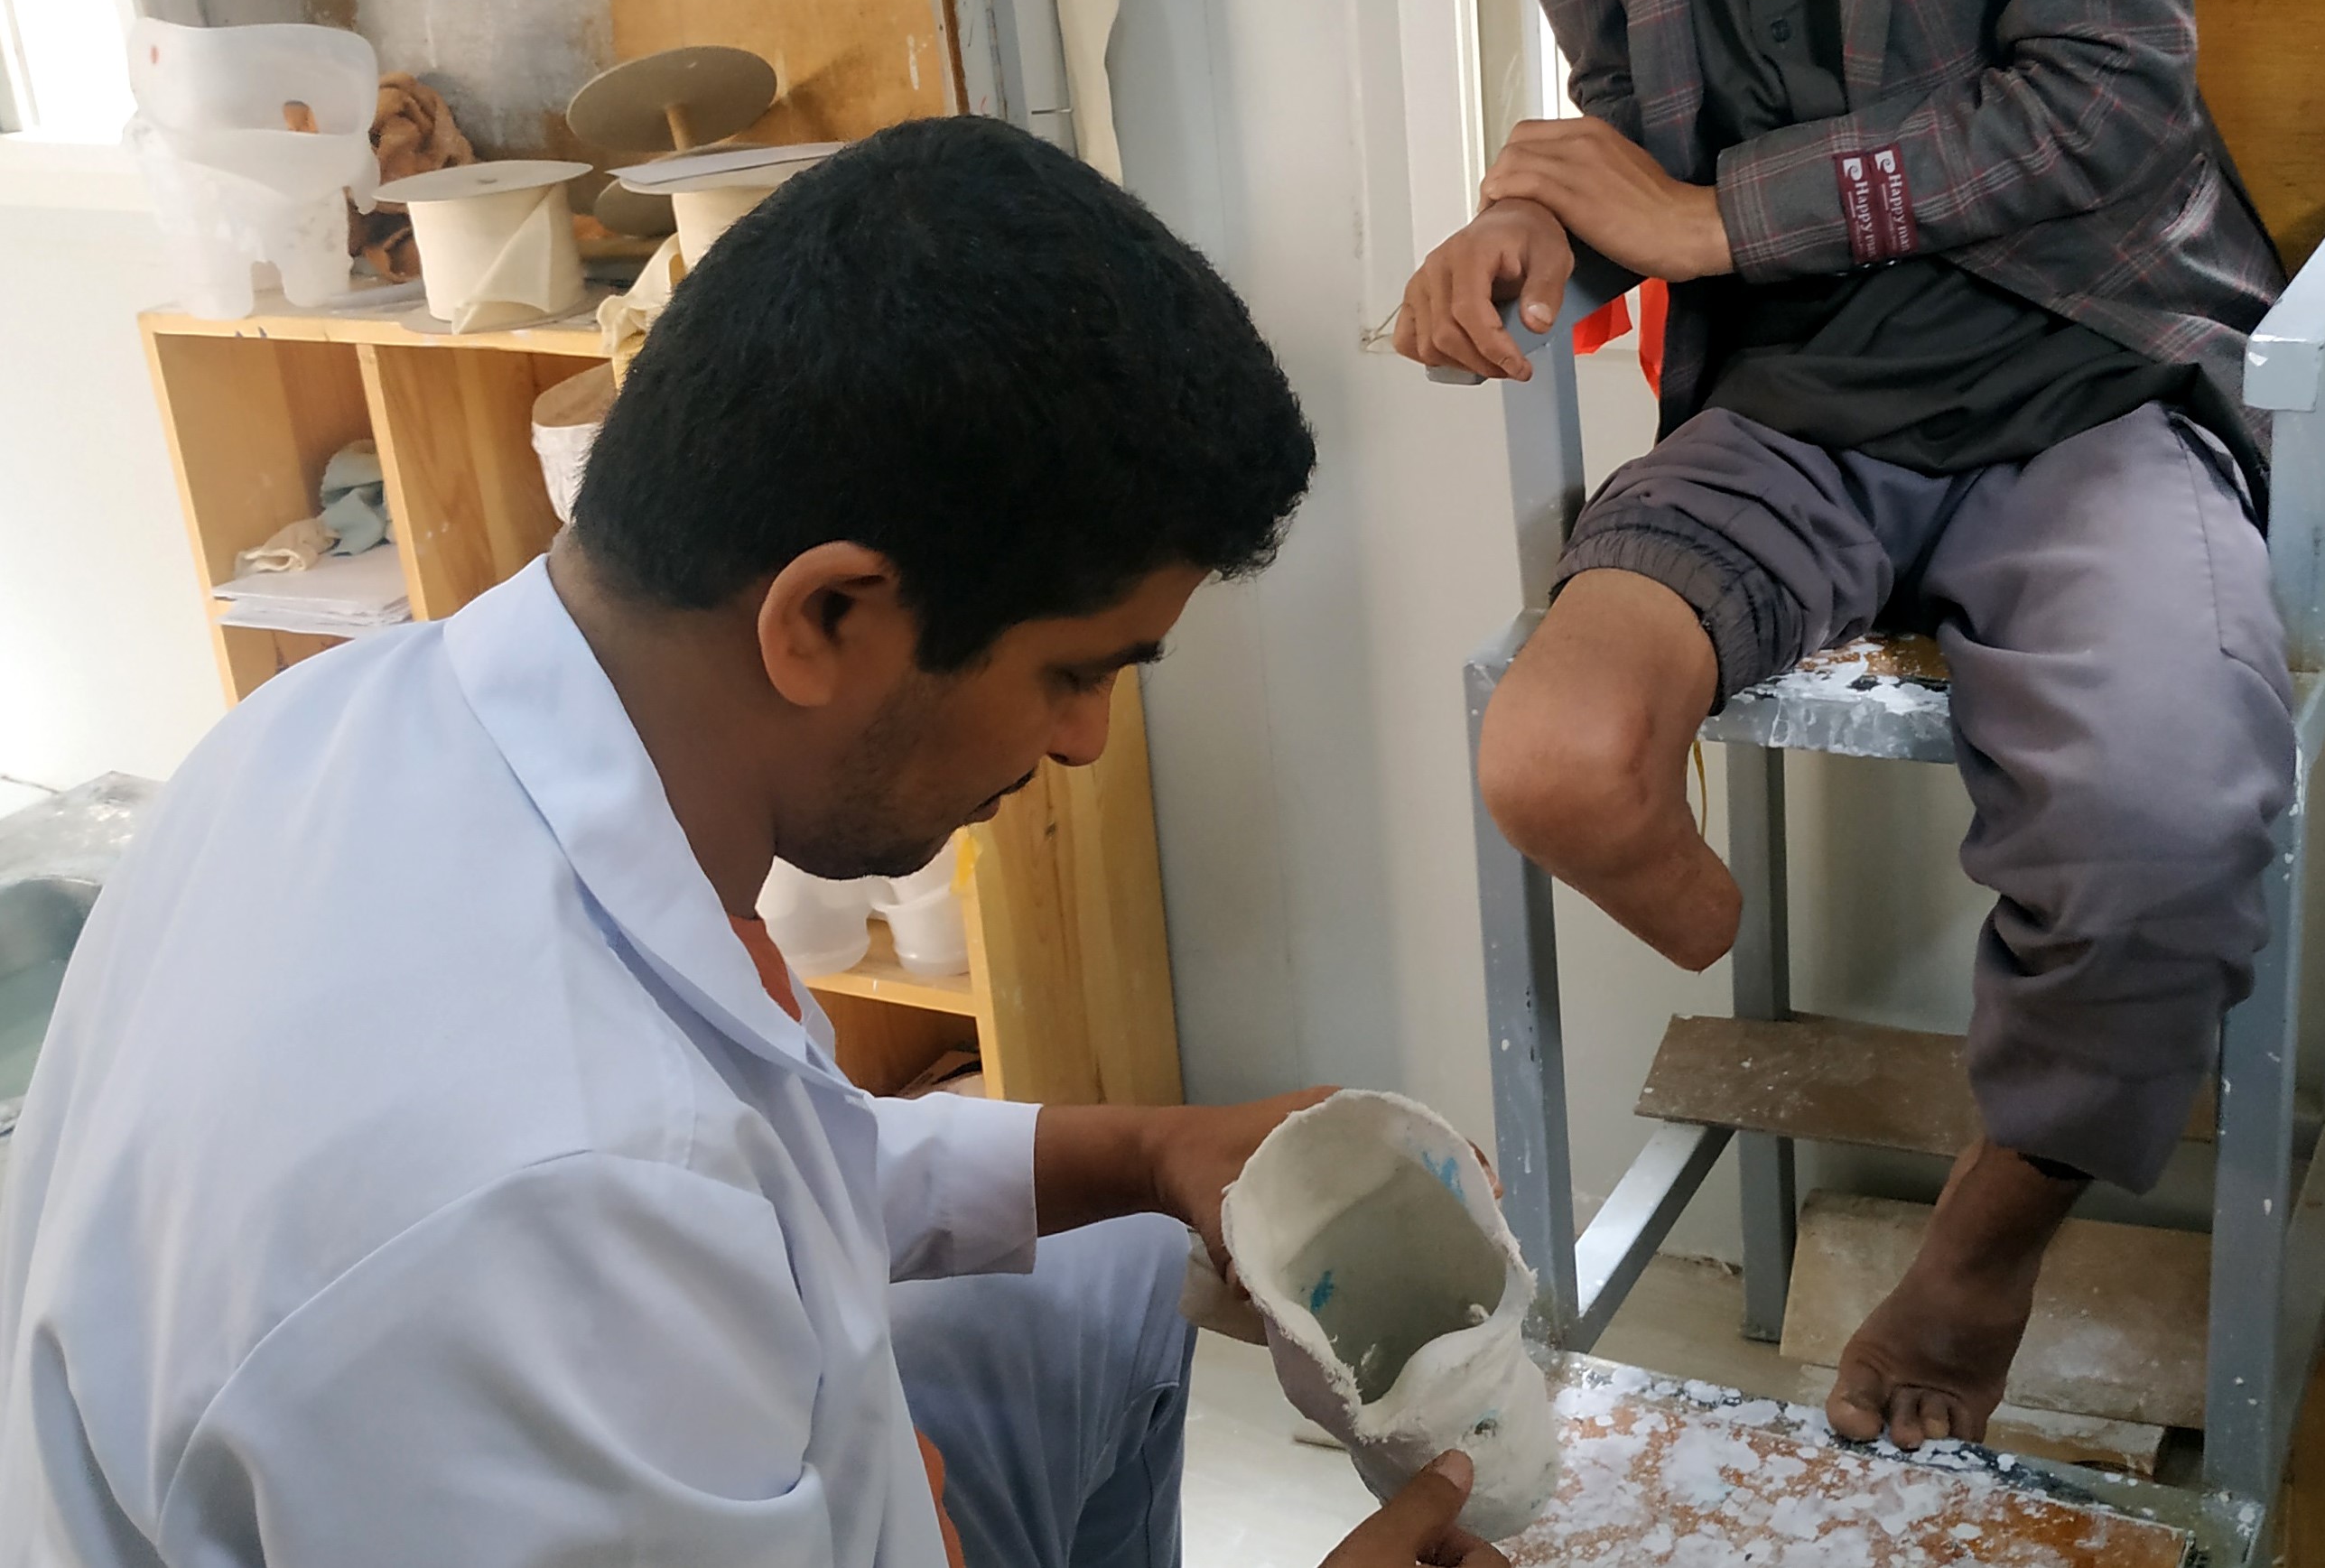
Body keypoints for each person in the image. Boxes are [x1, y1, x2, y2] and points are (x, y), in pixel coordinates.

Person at [1, 119, 1504, 1568]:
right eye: (1074, 671)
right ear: (825, 616)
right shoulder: (549, 1219)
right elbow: (643, 1189)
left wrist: (1152, 1151)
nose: (1084, 744)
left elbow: (766, 1160)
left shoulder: (350, 720)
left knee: (1106, 1262)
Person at [1397, 0, 2294, 1452]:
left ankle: (1982, 1240)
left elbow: (2103, 102)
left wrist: (1704, 216)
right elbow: (1644, 123)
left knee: (2161, 823)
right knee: (1547, 759)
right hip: (1788, 401)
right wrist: (1541, 229)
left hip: (2078, 371)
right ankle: (1757, 986)